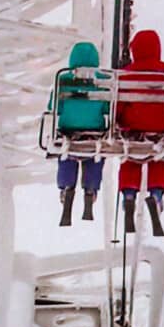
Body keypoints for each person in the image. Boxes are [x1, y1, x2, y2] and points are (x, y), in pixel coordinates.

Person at [115, 28, 164, 236]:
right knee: (161, 157)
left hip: (133, 128)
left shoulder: (127, 73)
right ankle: (156, 196)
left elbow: (117, 105)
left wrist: (121, 120)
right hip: (159, 130)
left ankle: (129, 196)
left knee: (131, 157)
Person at [51, 41, 108, 225]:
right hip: (95, 131)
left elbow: (54, 108)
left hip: (69, 130)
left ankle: (67, 188)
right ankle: (90, 190)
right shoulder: (103, 80)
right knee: (94, 154)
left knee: (67, 152)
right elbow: (108, 108)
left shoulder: (63, 78)